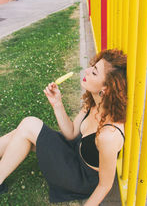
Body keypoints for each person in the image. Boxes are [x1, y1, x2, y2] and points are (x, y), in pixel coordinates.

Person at [0, 49, 127, 206]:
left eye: (94, 72)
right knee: (21, 133)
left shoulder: (110, 135)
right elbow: (71, 134)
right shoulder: (94, 102)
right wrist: (57, 103)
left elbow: (104, 185)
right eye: (92, 66)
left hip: (79, 179)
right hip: (73, 152)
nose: (87, 70)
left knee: (29, 125)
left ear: (106, 89)